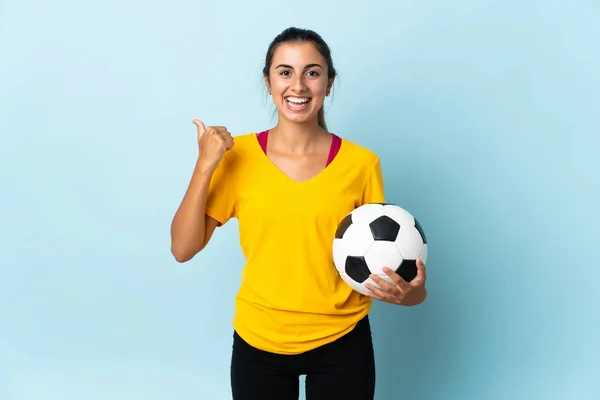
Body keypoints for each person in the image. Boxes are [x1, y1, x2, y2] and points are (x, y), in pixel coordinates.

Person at [170, 27, 427, 400]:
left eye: (312, 72)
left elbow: (388, 270)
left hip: (343, 342)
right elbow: (182, 248)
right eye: (285, 72)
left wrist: (412, 294)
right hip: (259, 342)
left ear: (329, 82)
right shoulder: (236, 156)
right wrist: (204, 166)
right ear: (268, 81)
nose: (299, 85)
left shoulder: (362, 164)